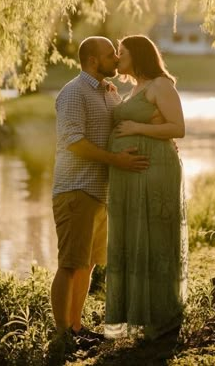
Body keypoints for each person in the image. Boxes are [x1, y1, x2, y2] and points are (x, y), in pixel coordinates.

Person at [50, 36, 150, 343]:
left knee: (87, 264)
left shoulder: (109, 94)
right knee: (69, 264)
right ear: (93, 61)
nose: (117, 60)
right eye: (110, 55)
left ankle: (77, 328)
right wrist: (115, 160)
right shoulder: (73, 93)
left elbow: (122, 127)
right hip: (76, 189)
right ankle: (62, 335)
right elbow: (73, 141)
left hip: (100, 193)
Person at [105, 34, 188, 340]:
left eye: (122, 52)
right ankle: (139, 313)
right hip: (131, 174)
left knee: (155, 239)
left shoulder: (161, 85)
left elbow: (178, 128)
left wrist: (138, 128)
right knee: (134, 238)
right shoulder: (133, 89)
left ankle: (162, 317)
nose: (117, 56)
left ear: (138, 55)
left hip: (155, 170)